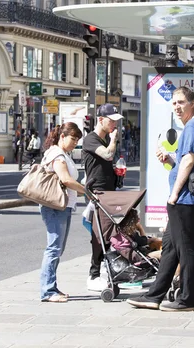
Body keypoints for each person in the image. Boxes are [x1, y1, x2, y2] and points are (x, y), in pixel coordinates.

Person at [127, 86, 194, 312]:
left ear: (192, 103)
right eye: (174, 103)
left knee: (186, 248)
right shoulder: (193, 127)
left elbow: (189, 162)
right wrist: (170, 161)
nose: (177, 107)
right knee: (171, 248)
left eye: (181, 102)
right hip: (185, 199)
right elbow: (184, 162)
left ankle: (187, 299)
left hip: (185, 199)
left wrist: (174, 193)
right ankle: (154, 295)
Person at [39, 122, 85, 302]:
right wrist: (85, 190)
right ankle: (48, 291)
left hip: (63, 206)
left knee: (58, 248)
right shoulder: (57, 154)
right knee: (53, 248)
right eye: (73, 139)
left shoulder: (63, 154)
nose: (75, 143)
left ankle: (52, 287)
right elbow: (65, 179)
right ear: (63, 136)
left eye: (77, 140)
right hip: (54, 207)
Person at [82, 103, 123, 292]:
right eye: (112, 120)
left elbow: (106, 163)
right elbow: (107, 155)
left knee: (109, 234)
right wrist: (113, 140)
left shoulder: (106, 139)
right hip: (97, 193)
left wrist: (116, 173)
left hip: (109, 191)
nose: (115, 125)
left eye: (116, 121)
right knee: (99, 235)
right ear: (101, 120)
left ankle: (110, 271)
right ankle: (94, 274)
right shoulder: (91, 139)